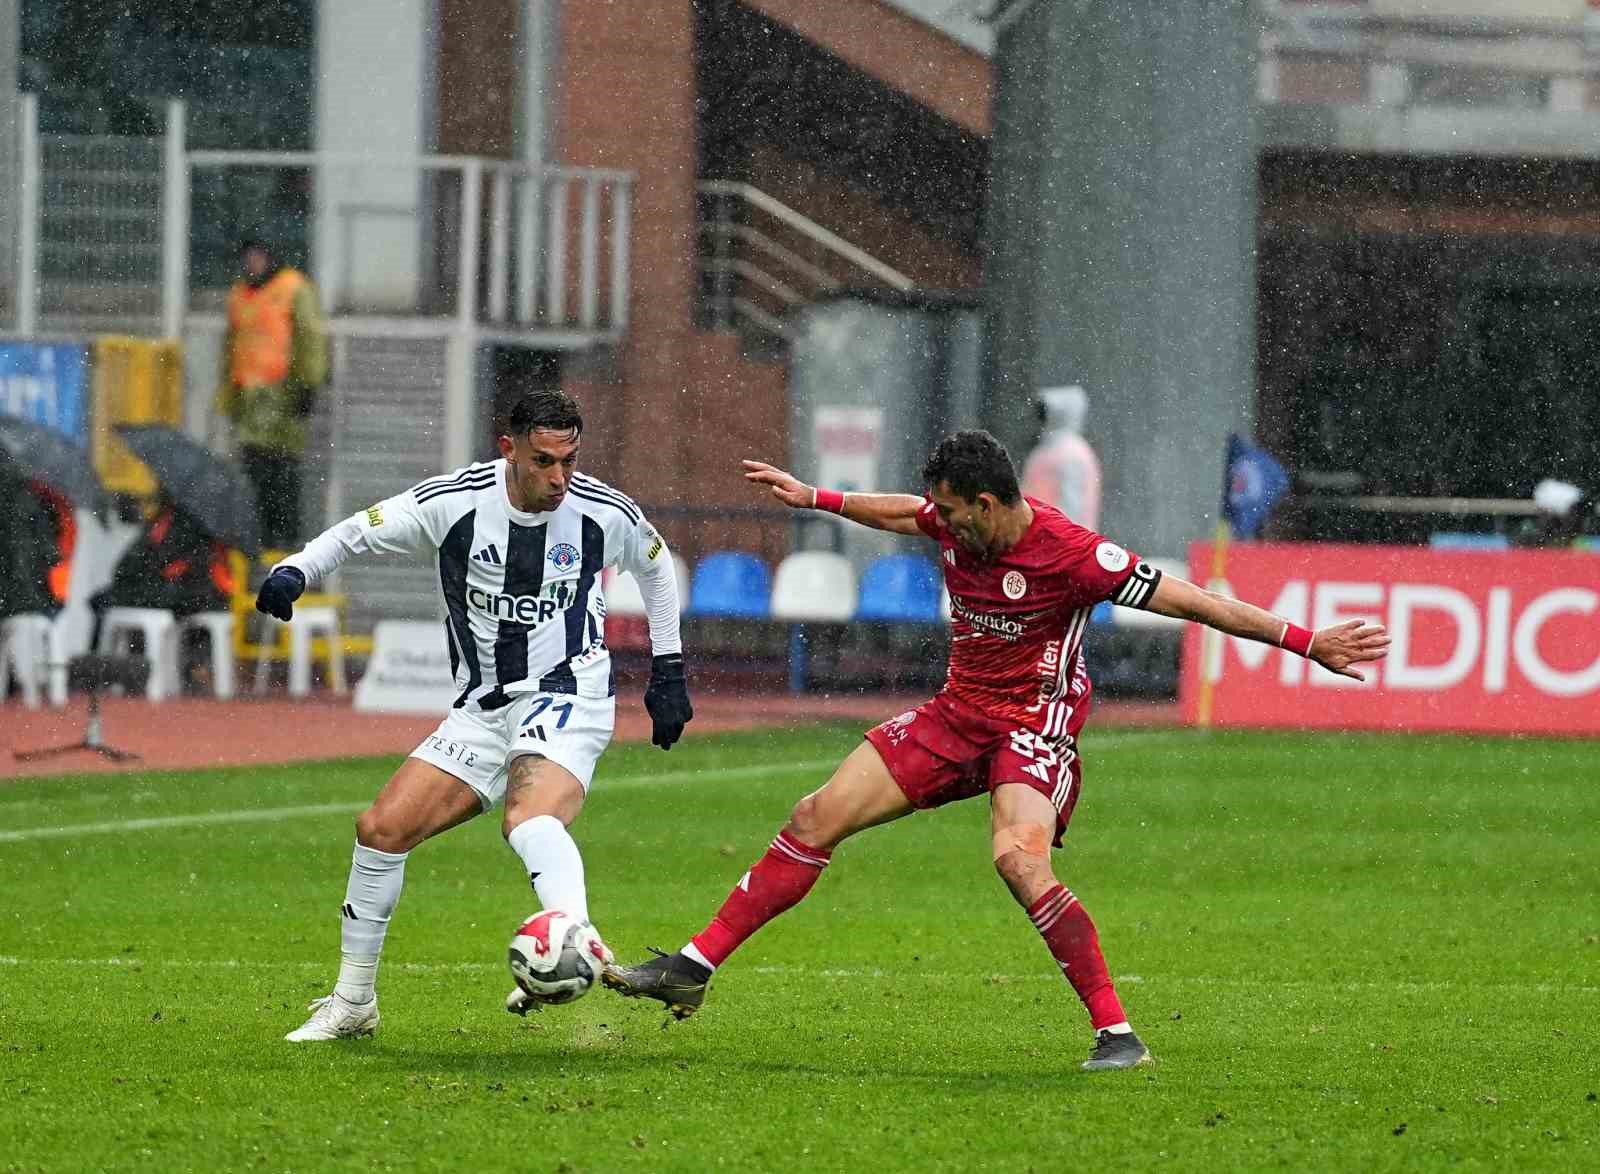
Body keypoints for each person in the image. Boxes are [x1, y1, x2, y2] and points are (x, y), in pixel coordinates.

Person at [603, 430, 1388, 1071]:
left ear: (987, 503)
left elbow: (1199, 601)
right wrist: (817, 498)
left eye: (951, 510)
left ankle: (1118, 1033)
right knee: (816, 815)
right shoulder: (952, 518)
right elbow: (902, 514)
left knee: (1018, 858)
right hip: (958, 714)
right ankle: (692, 969)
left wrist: (1307, 640)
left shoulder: (1077, 555)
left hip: (1034, 725)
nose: (938, 522)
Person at [255, 388, 694, 1042]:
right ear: (508, 448)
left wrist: (669, 669)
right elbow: (356, 532)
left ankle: (572, 932)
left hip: (567, 695)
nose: (559, 479)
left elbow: (656, 570)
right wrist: (296, 569)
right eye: (544, 460)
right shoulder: (452, 503)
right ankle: (353, 1004)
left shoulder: (602, 512)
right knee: (381, 829)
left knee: (529, 817)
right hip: (482, 709)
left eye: (569, 461)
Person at [215, 237, 329, 550]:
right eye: (247, 257)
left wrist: (308, 384)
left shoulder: (293, 288)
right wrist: (228, 394)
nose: (252, 264)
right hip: (249, 396)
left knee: (282, 466)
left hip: (282, 394)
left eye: (257, 257)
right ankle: (262, 535)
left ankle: (284, 537)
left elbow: (310, 338)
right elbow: (230, 346)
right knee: (254, 467)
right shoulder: (239, 294)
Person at [1020, 384, 1102, 528]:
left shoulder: (1070, 453)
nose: (1041, 419)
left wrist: (1065, 543)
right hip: (1044, 536)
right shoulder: (1052, 448)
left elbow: (1072, 506)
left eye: (1044, 413)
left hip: (1056, 540)